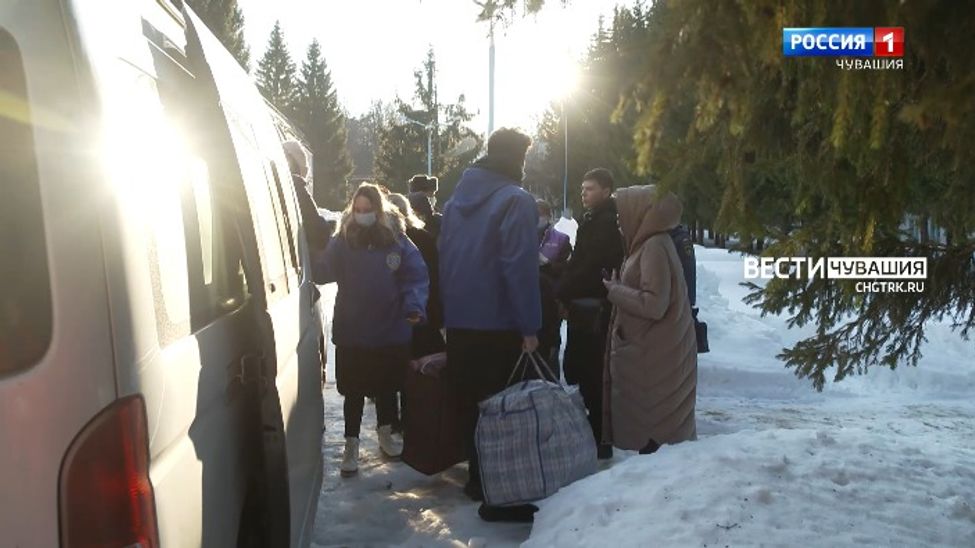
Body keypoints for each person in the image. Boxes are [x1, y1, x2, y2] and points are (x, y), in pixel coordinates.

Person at [439, 128, 542, 523]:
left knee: (472, 406)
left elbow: (446, 260)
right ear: (518, 158)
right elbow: (518, 267)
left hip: (462, 321)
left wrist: (449, 315)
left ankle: (476, 481)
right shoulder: (515, 201)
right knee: (502, 408)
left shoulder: (453, 203)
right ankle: (500, 496)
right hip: (499, 323)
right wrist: (529, 325)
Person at [313, 183, 430, 477]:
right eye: (359, 210)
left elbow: (415, 276)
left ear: (379, 211)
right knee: (352, 388)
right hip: (353, 327)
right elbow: (325, 270)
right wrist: (311, 250)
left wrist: (414, 306)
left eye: (368, 210)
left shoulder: (396, 241)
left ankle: (386, 432)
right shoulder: (343, 239)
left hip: (389, 326)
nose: (363, 215)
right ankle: (351, 443)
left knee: (387, 385)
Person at [601, 185, 697, 454]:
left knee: (654, 436)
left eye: (623, 212)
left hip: (652, 357)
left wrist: (615, 291)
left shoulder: (653, 246)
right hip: (651, 351)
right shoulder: (648, 243)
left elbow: (654, 304)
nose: (620, 220)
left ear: (640, 213)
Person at [556, 168, 624, 460]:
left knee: (591, 371)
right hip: (584, 302)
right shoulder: (592, 219)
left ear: (607, 190)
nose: (584, 194)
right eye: (583, 189)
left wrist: (563, 291)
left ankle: (599, 438)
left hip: (593, 305)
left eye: (591, 189)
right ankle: (593, 434)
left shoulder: (606, 222)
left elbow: (591, 265)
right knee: (581, 369)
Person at [388, 193, 444, 358]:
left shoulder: (385, 242)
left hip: (393, 318)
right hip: (424, 314)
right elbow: (435, 277)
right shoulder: (424, 238)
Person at [536, 199, 571, 378]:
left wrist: (548, 264)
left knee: (550, 346)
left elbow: (567, 268)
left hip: (551, 300)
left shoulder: (561, 239)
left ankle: (551, 385)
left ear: (548, 216)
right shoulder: (522, 235)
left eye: (541, 214)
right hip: (530, 298)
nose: (537, 218)